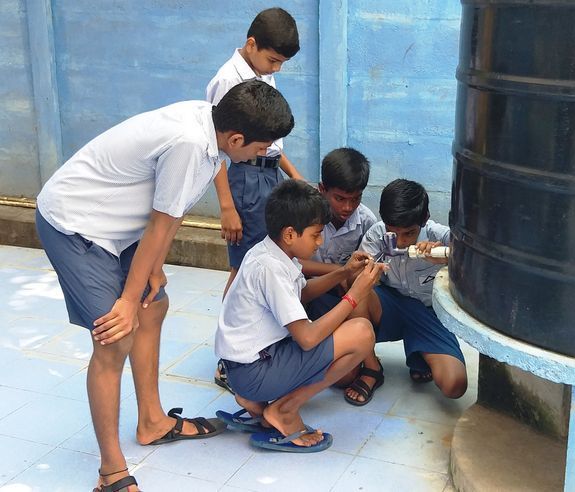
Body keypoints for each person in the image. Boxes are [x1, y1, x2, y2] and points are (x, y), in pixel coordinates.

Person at [35, 80, 294, 491]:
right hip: (75, 224)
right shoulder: (190, 144)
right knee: (114, 335)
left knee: (153, 304)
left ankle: (152, 422)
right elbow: (160, 222)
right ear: (237, 138)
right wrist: (125, 300)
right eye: (261, 148)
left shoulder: (211, 130)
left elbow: (172, 211)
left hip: (119, 225)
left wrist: (152, 269)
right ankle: (111, 471)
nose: (263, 154)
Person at [214, 180, 385, 452]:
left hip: (244, 367)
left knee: (347, 331)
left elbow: (301, 294)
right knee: (362, 333)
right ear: (290, 234)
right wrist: (355, 294)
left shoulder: (269, 252)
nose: (320, 242)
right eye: (316, 235)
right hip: (254, 371)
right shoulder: (271, 268)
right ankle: (285, 409)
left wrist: (344, 272)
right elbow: (306, 338)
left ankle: (255, 400)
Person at [207, 7, 306, 295]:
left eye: (282, 63)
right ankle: (231, 323)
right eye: (273, 60)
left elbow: (268, 138)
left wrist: (294, 175)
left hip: (270, 174)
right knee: (244, 265)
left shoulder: (262, 73)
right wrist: (227, 207)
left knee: (271, 256)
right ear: (251, 45)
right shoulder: (228, 80)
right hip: (246, 178)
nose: (277, 68)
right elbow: (216, 148)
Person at [346, 179, 467, 406]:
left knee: (454, 385)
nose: (400, 242)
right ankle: (372, 367)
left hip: (429, 312)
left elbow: (473, 261)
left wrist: (446, 256)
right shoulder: (377, 234)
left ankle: (419, 351)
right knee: (359, 288)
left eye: (409, 233)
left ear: (424, 219)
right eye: (393, 232)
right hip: (390, 305)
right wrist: (367, 273)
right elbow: (353, 280)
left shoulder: (438, 235)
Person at [302, 147, 378, 319]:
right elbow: (292, 263)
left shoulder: (366, 221)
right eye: (340, 199)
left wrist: (348, 276)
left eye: (355, 198)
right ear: (322, 189)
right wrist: (339, 271)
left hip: (343, 292)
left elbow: (366, 269)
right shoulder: (304, 215)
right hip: (306, 287)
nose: (348, 207)